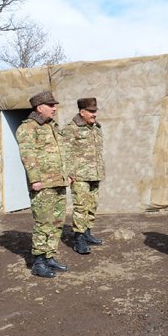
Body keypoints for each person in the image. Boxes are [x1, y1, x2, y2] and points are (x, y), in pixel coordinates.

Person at [15, 90, 69, 278]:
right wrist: (35, 179)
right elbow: (28, 155)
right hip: (43, 184)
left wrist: (66, 174)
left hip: (58, 181)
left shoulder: (51, 126)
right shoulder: (28, 128)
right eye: (51, 105)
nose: (55, 109)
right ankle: (39, 261)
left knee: (57, 222)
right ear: (40, 108)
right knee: (43, 223)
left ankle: (50, 256)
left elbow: (62, 152)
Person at [65, 98, 105, 255]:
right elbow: (66, 152)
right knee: (81, 206)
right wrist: (69, 173)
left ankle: (87, 233)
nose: (95, 114)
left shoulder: (96, 128)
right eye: (91, 111)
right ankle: (78, 239)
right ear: (82, 112)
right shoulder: (71, 129)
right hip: (79, 175)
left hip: (95, 174)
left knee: (92, 204)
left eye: (95, 111)